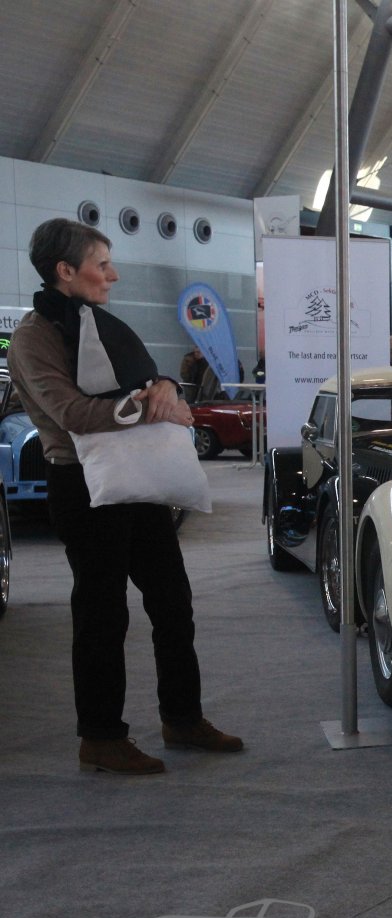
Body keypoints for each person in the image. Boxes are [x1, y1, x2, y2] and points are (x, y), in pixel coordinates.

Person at [7, 218, 243, 775]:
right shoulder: (34, 337)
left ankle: (182, 718)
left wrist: (167, 387)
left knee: (172, 601)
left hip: (137, 476)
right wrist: (150, 405)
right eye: (102, 264)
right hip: (82, 485)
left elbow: (146, 378)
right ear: (66, 271)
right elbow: (73, 413)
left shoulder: (97, 321)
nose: (113, 275)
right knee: (102, 614)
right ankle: (101, 737)